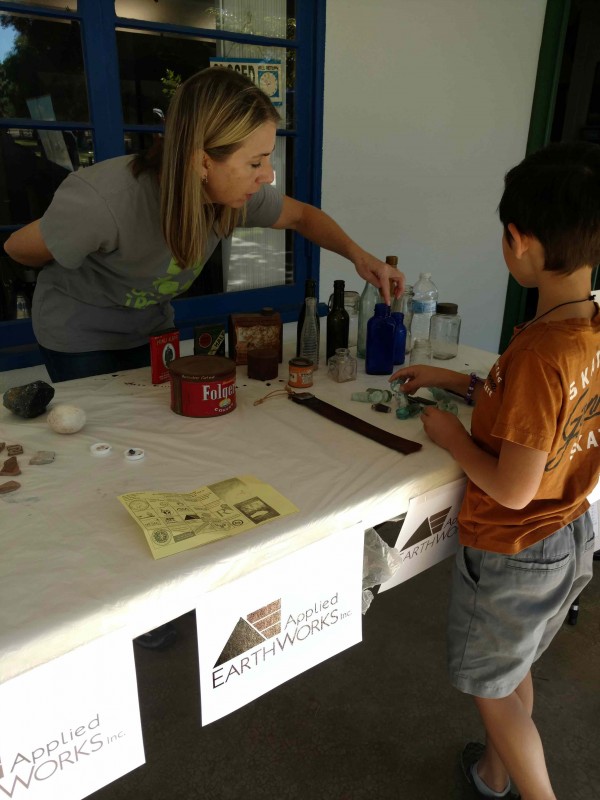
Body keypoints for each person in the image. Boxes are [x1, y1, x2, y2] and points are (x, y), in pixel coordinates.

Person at [391, 141, 599, 799]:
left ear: (519, 240)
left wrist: (453, 437)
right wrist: (454, 379)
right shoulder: (587, 328)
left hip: (517, 548)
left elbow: (512, 488)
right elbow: (543, 412)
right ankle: (494, 773)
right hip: (569, 535)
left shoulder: (540, 350)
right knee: (513, 669)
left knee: (490, 688)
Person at [3, 66, 403, 383]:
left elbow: (302, 216)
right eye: (255, 162)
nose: (267, 175)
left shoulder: (231, 195)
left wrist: (360, 257)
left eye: (267, 158)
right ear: (202, 161)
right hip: (79, 335)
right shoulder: (103, 201)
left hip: (149, 329)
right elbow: (18, 249)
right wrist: (70, 232)